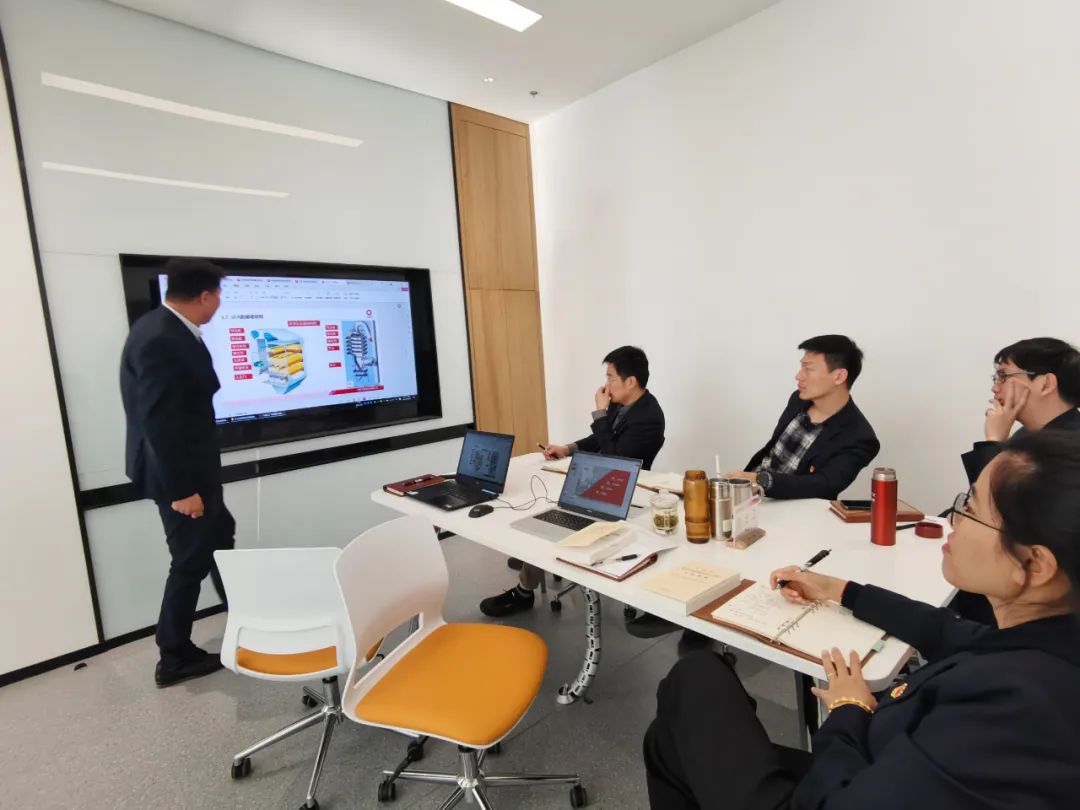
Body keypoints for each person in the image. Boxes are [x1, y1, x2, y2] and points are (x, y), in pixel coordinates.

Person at [643, 430, 1080, 810]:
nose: (951, 521)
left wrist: (849, 709)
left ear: (1034, 564)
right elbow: (946, 631)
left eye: (971, 509)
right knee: (668, 739)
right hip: (877, 766)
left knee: (697, 674)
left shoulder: (1014, 711)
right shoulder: (1046, 642)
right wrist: (838, 589)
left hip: (841, 784)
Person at [479, 346, 665, 618]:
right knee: (544, 508)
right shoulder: (620, 403)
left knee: (557, 511)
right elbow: (599, 438)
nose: (606, 385)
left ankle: (524, 591)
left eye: (610, 377)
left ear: (631, 382)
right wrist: (568, 449)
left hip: (625, 493)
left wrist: (599, 413)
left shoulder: (649, 416)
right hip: (602, 480)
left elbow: (616, 458)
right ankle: (532, 557)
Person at [119, 257, 234, 687]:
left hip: (194, 470)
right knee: (190, 561)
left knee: (220, 540)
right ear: (204, 296)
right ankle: (174, 655)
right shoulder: (161, 338)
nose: (219, 304)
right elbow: (159, 423)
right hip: (182, 478)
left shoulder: (163, 327)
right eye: (218, 296)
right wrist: (182, 490)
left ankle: (246, 613)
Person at [725, 335, 879, 500]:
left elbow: (823, 486)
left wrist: (761, 480)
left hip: (790, 508)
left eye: (808, 368)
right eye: (801, 366)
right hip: (749, 496)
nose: (798, 376)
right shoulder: (798, 400)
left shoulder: (860, 437)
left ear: (839, 376)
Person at [961, 337, 1080, 484]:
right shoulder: (1026, 435)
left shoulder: (1071, 450)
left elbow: (991, 496)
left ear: (1046, 384)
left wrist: (994, 440)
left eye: (1003, 376)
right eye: (996, 378)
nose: (995, 388)